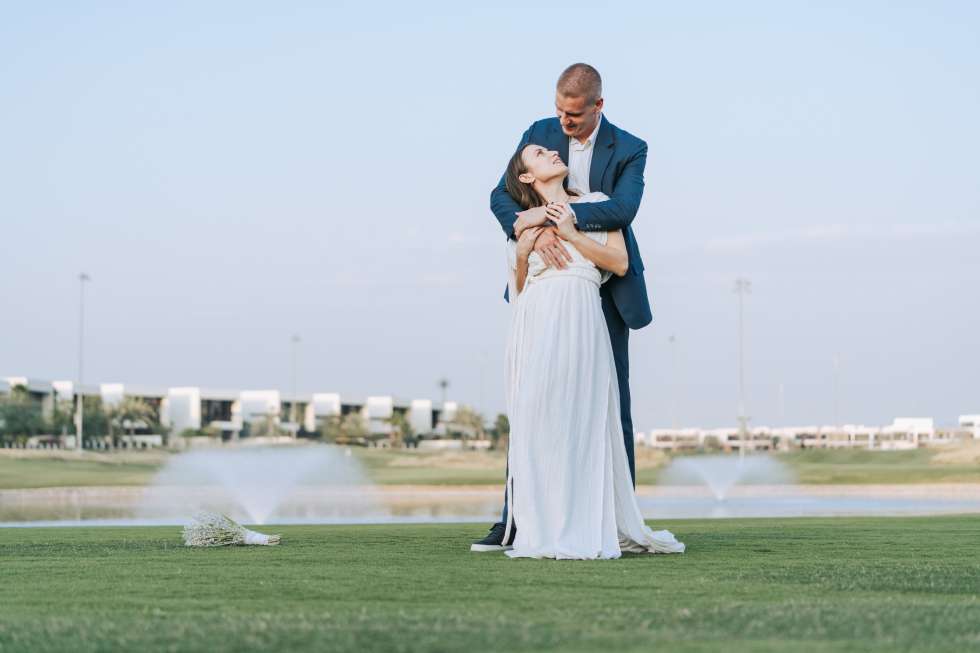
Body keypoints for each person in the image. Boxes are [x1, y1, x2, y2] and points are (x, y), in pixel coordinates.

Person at [472, 63, 657, 552]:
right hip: (548, 287)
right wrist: (533, 229)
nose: (563, 122)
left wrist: (565, 219)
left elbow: (622, 209)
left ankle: (613, 518)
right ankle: (514, 519)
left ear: (598, 106)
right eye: (559, 110)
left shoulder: (631, 148)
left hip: (604, 289)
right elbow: (501, 195)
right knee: (535, 406)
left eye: (573, 115)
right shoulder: (539, 134)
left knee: (613, 406)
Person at [494, 142, 685, 559]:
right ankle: (541, 526)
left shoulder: (597, 205)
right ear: (527, 177)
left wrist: (572, 235)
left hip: (580, 312)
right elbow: (519, 287)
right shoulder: (521, 225)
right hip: (536, 320)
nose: (552, 153)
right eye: (540, 154)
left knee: (581, 415)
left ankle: (586, 523)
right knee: (539, 417)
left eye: (550, 150)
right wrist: (525, 250)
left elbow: (617, 263)